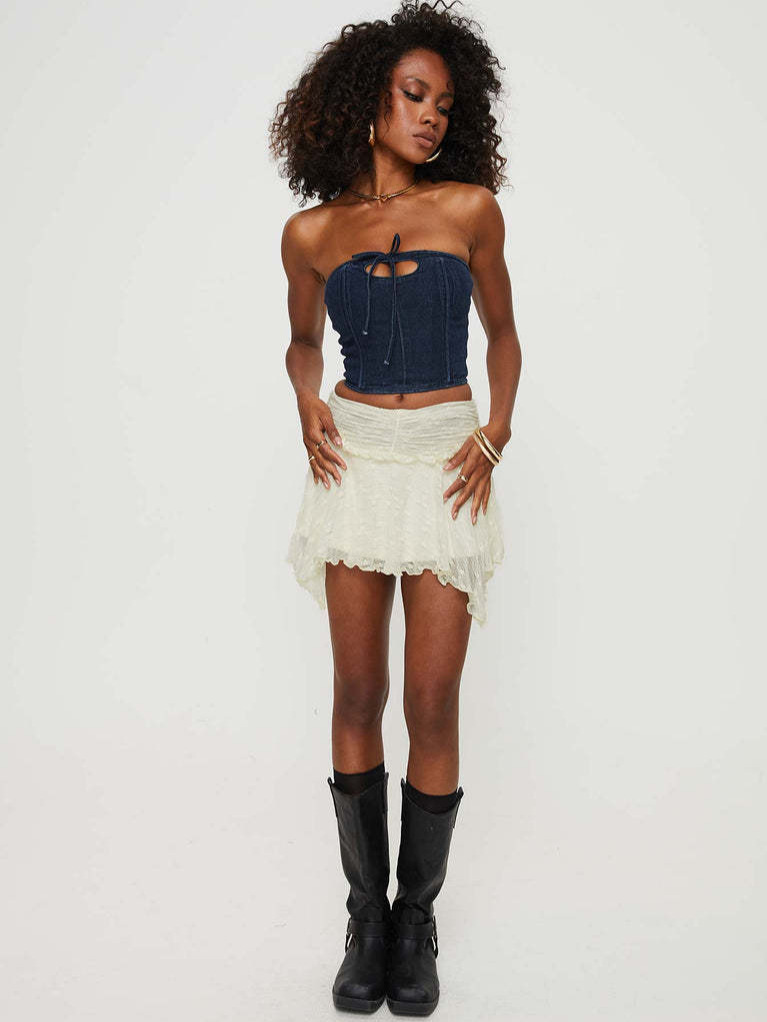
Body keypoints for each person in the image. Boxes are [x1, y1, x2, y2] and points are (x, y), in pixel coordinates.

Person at [268, 1, 521, 1014]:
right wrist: (304, 401)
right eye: (413, 95)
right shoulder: (310, 232)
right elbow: (300, 344)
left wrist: (495, 431)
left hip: (444, 461)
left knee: (430, 700)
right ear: (364, 99)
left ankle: (414, 920)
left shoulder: (470, 209)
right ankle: (364, 920)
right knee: (355, 691)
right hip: (355, 463)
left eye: (443, 104)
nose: (429, 116)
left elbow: (503, 334)